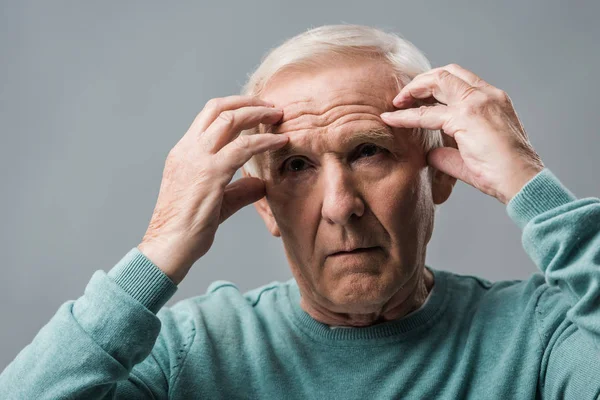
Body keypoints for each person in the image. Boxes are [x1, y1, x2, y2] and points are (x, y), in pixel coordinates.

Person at [1, 24, 598, 399]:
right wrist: (161, 246)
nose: (339, 206)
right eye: (295, 167)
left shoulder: (541, 336)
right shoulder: (193, 352)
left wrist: (531, 184)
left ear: (438, 177)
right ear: (263, 206)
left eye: (368, 152)